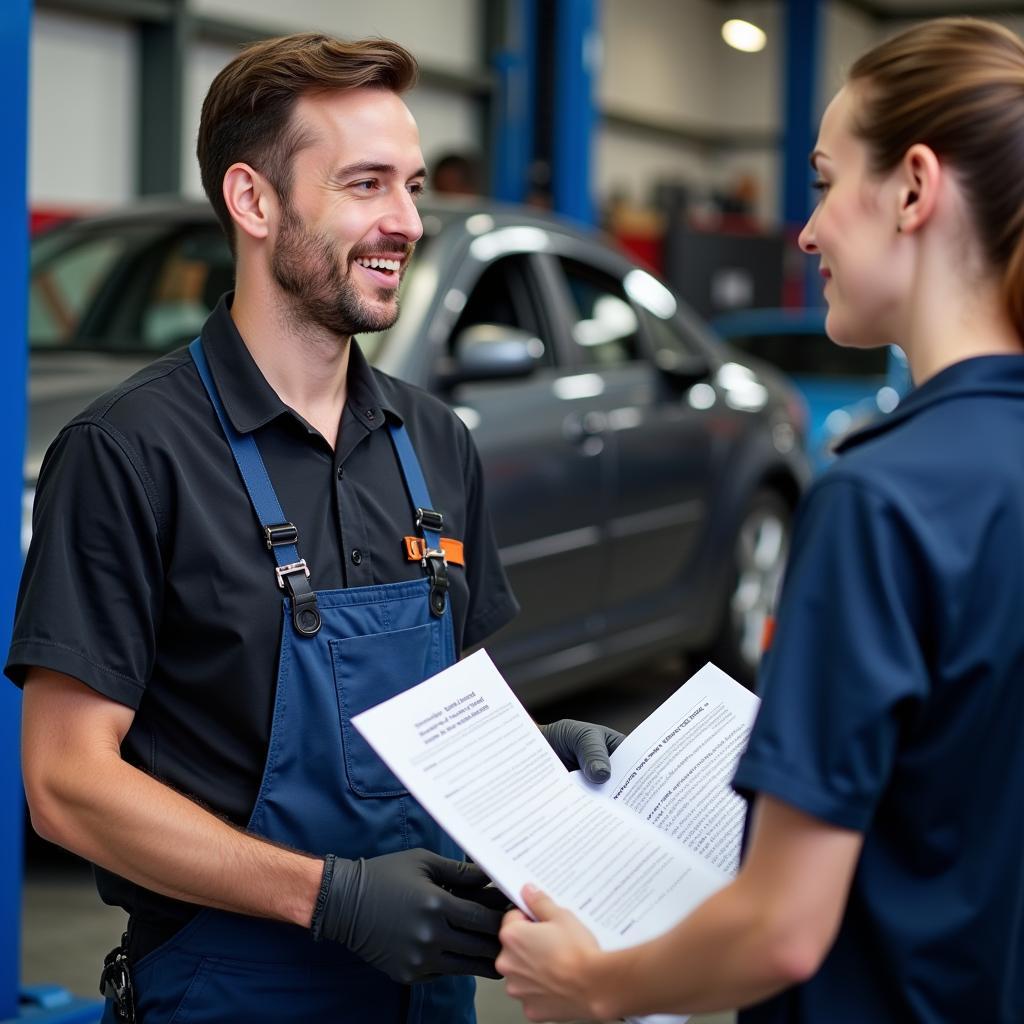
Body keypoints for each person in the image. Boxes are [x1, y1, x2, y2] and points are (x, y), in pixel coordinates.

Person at [8, 33, 621, 1024]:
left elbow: (448, 715)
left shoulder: (433, 443)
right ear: (253, 201)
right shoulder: (130, 452)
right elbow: (65, 782)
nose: (407, 222)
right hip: (231, 991)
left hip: (428, 995)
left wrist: (531, 761)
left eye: (412, 186)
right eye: (367, 185)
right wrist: (325, 896)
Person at [497, 17, 1024, 1024]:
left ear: (913, 187)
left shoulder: (879, 499)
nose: (807, 229)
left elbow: (783, 926)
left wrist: (591, 984)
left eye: (825, 182)